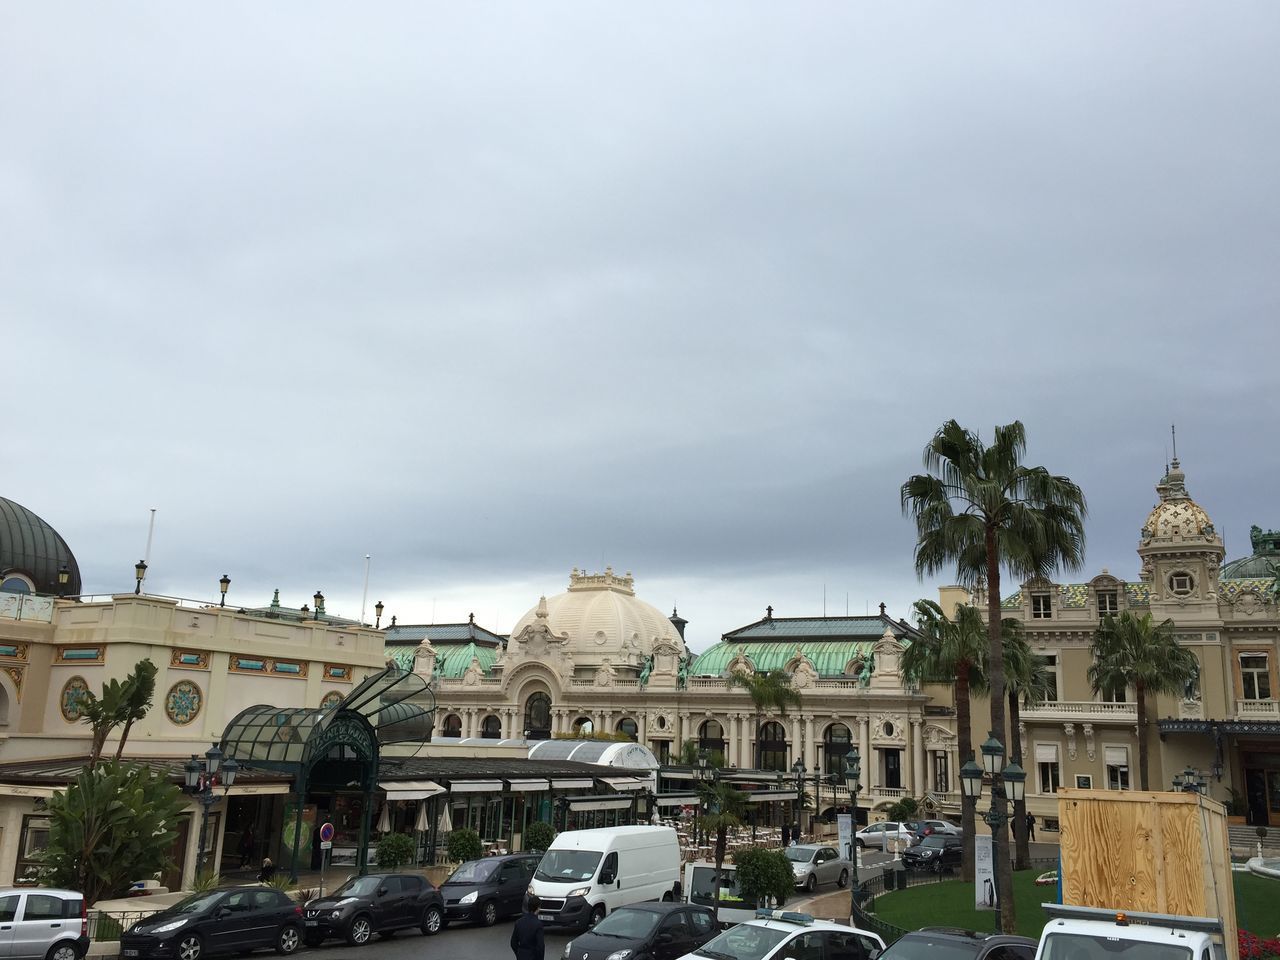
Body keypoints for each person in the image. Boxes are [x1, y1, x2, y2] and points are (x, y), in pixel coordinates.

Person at [511, 893, 545, 960]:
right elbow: (540, 946)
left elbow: (513, 943)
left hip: (521, 956)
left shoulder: (519, 922)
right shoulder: (538, 924)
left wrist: (518, 954)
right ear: (538, 908)